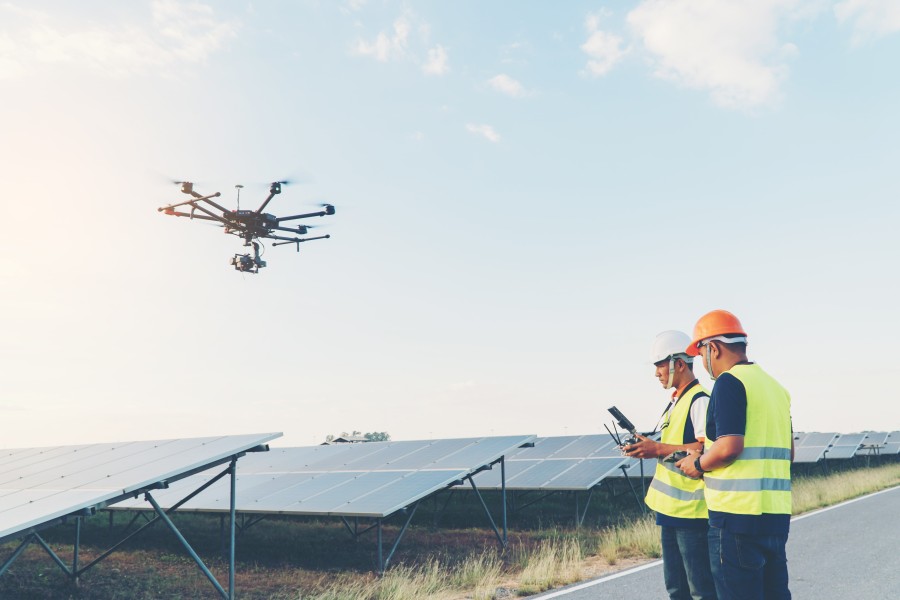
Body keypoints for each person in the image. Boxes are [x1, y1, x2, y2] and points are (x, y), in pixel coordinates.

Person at [676, 310, 793, 600]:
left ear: (712, 348)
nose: (702, 362)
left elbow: (729, 446)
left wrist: (698, 464)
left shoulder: (729, 382)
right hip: (776, 518)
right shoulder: (776, 388)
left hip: (736, 518)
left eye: (701, 352)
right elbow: (789, 453)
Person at [624, 330, 717, 600]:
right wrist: (648, 447)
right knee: (676, 588)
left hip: (693, 514)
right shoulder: (677, 401)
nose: (656, 373)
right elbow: (675, 448)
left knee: (700, 590)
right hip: (670, 511)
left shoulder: (700, 401)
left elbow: (705, 449)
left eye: (659, 365)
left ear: (678, 363)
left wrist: (657, 449)